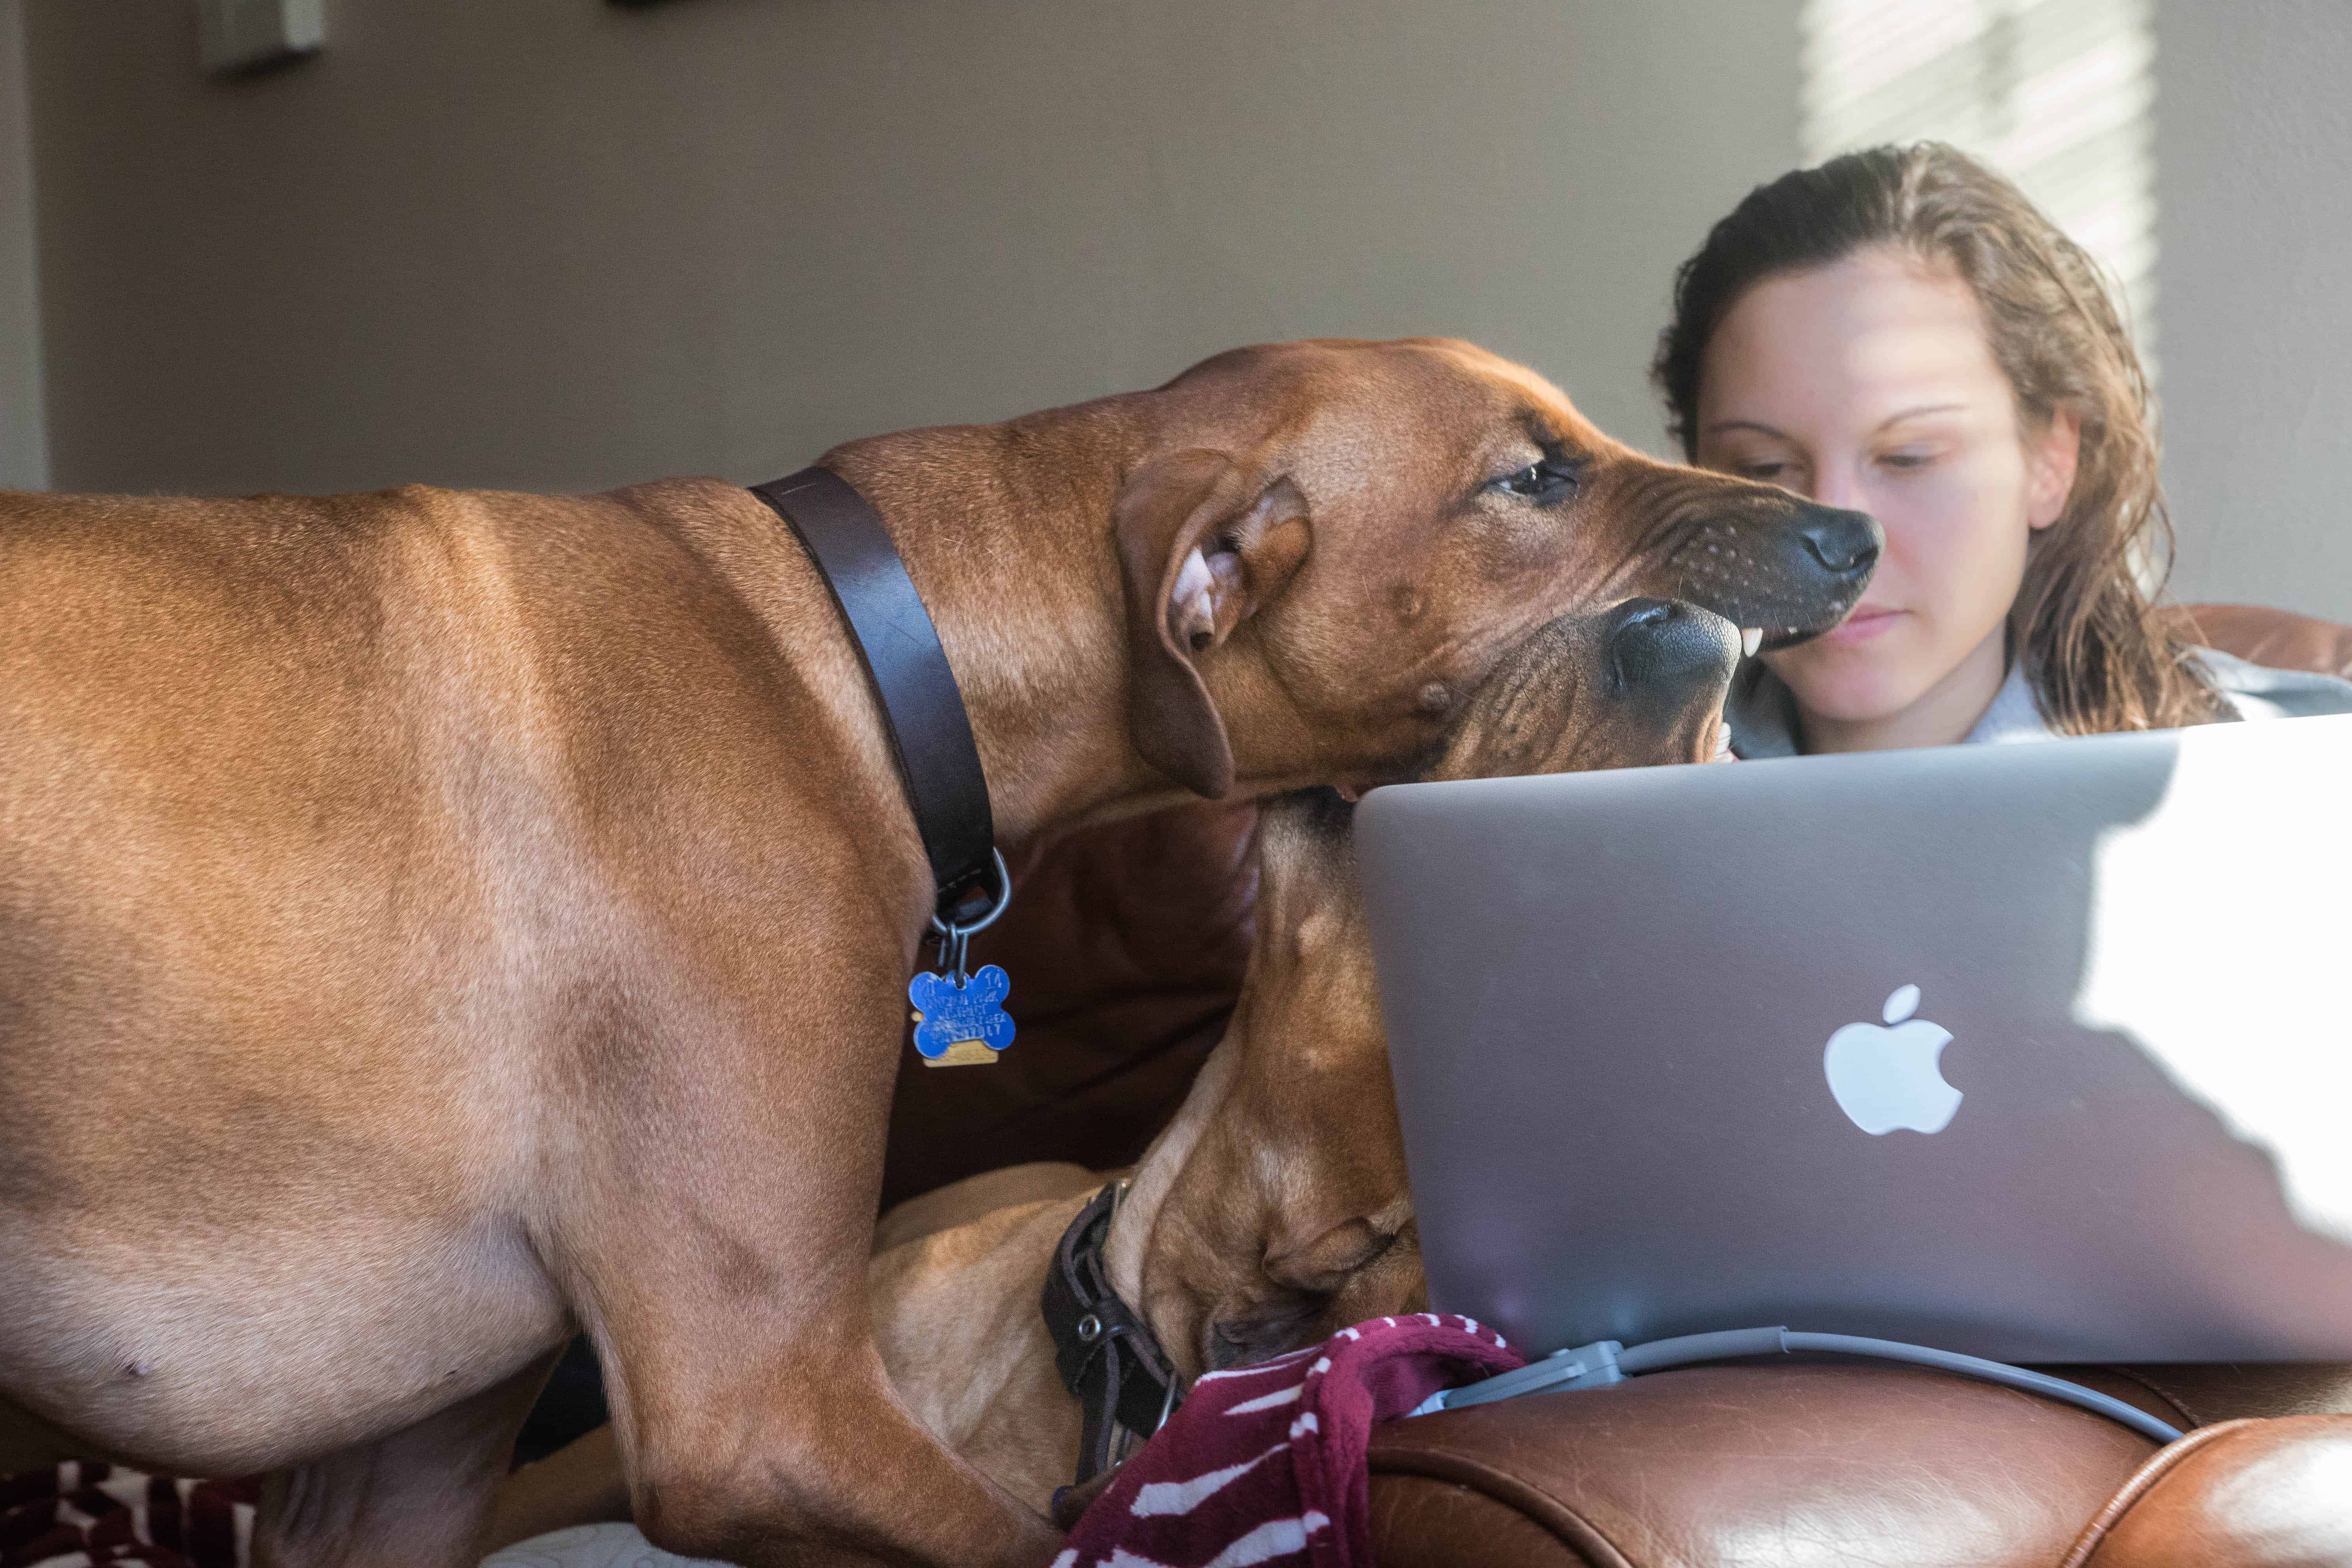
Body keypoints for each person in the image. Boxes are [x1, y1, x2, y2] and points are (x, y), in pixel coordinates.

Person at [1652, 142, 2352, 757]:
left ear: (2051, 460)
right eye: (1762, 470)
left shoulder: (2290, 770)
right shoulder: (1601, 784)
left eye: (1909, 457)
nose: (1832, 527)